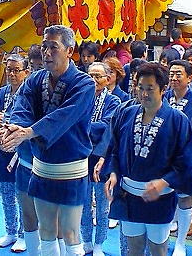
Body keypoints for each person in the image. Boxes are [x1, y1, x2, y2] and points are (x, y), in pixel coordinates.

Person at [0, 25, 96, 256]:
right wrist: (15, 128)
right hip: (42, 166)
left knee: (71, 232)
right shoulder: (35, 80)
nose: (47, 53)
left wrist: (29, 132)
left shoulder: (85, 84)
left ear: (69, 51)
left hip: (70, 167)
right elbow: (22, 106)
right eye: (44, 47)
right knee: (46, 230)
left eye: (54, 47)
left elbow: (64, 116)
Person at [105, 63, 192, 256]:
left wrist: (164, 182)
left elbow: (184, 161)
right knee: (134, 247)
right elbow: (115, 149)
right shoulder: (126, 113)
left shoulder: (178, 120)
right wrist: (114, 173)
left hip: (159, 197)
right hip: (129, 194)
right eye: (140, 88)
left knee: (158, 249)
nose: (144, 94)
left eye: (150, 89)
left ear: (163, 90)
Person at [0, 54, 30, 251]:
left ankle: (24, 233)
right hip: (2, 150)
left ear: (26, 72)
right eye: (9, 70)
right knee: (5, 192)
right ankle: (10, 230)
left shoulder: (30, 95)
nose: (12, 74)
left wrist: (6, 121)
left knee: (22, 194)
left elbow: (31, 121)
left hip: (22, 153)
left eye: (16, 70)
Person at [165, 60, 192, 255]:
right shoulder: (164, 97)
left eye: (178, 74)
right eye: (171, 74)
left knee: (184, 199)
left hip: (186, 157)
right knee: (164, 199)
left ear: (190, 77)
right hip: (164, 158)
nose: (173, 78)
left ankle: (180, 243)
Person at [81, 62, 121, 256]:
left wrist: (82, 128)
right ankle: (86, 240)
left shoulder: (113, 101)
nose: (93, 80)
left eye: (98, 76)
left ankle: (99, 244)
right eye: (90, 75)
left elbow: (106, 126)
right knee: (84, 202)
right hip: (81, 155)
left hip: (101, 157)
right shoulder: (81, 98)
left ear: (107, 79)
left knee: (103, 205)